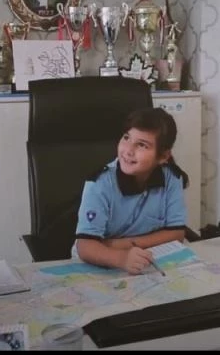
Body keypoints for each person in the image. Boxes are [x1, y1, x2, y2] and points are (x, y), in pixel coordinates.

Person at [73, 107, 190, 275]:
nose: (128, 150)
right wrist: (121, 258)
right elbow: (85, 246)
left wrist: (116, 244)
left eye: (141, 145)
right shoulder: (99, 183)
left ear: (163, 156)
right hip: (99, 263)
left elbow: (177, 233)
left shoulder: (171, 178)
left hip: (147, 259)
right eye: (126, 138)